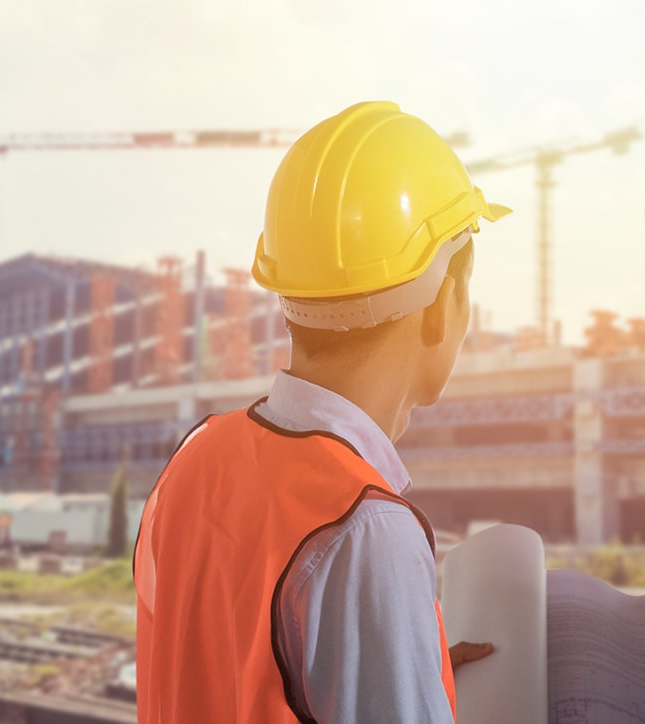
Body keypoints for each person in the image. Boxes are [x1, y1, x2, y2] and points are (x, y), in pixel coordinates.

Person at [134, 101, 506, 723]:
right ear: (445, 302)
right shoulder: (365, 528)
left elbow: (229, 662)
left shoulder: (196, 456)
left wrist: (401, 660)